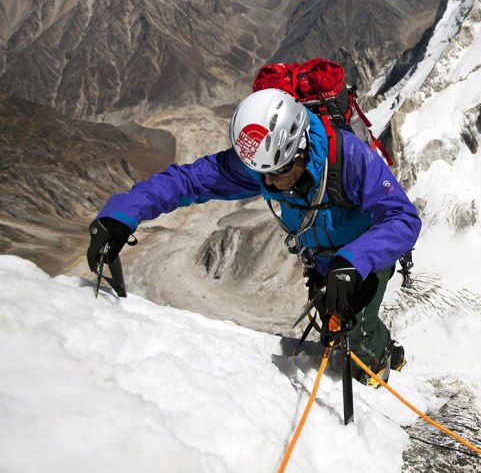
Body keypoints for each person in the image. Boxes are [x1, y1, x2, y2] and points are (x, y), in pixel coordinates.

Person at [86, 88, 421, 384]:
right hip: (324, 262)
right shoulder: (263, 162)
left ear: (300, 148)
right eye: (262, 174)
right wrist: (123, 213)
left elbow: (402, 218)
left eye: (277, 173)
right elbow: (186, 181)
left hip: (368, 256)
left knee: (356, 333)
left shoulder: (350, 158)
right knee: (335, 322)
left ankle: (378, 366)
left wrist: (352, 261)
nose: (269, 184)